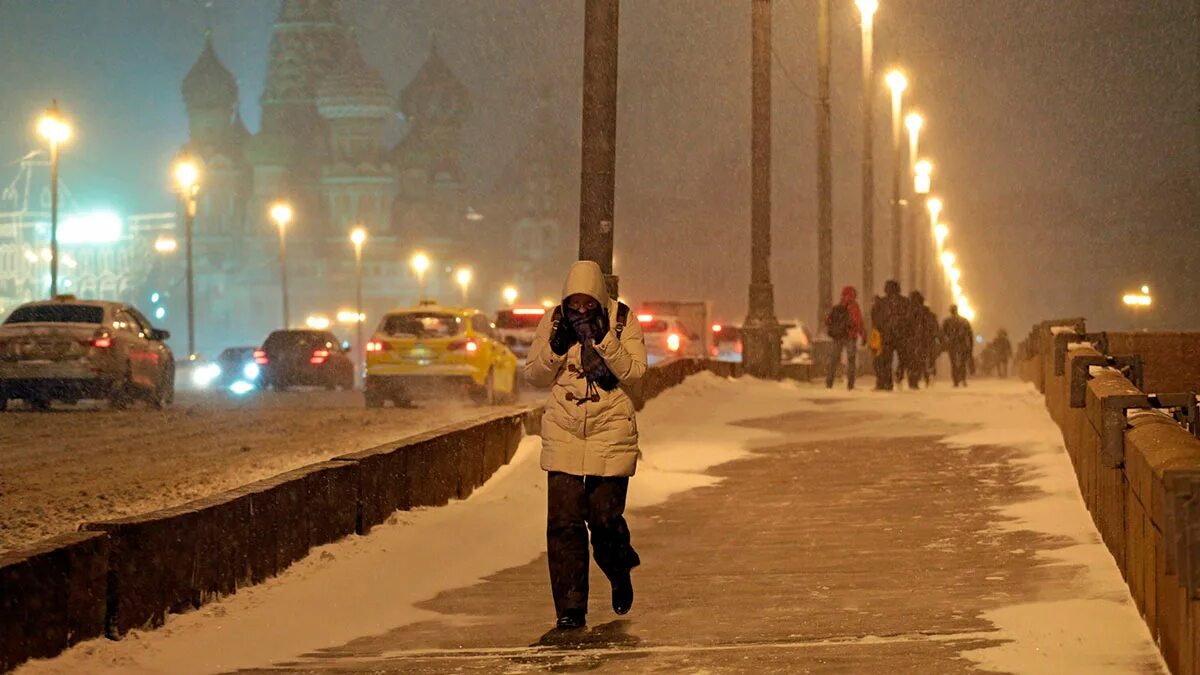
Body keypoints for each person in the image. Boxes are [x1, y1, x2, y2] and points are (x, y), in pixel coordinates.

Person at [525, 260, 648, 631]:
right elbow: (533, 375)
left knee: (604, 519)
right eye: (574, 304)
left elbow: (637, 375)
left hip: (610, 430)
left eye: (588, 304)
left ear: (599, 298)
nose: (580, 311)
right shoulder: (554, 322)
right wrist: (557, 349)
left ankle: (619, 566)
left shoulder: (623, 320)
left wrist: (604, 340)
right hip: (564, 430)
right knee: (563, 524)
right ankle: (570, 607)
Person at [870, 280, 910, 391]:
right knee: (903, 358)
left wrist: (878, 329)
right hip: (901, 335)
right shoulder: (905, 302)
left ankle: (887, 383)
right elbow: (910, 319)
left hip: (886, 335)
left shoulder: (881, 302)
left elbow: (875, 318)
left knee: (886, 360)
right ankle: (900, 372)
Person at [825, 285, 866, 390]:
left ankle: (829, 382)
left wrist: (834, 328)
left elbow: (827, 321)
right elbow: (859, 323)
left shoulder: (838, 306)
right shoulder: (854, 307)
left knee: (834, 359)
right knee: (851, 361)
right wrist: (863, 335)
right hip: (850, 336)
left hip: (838, 336)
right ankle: (850, 384)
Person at [902, 291, 940, 389]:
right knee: (922, 360)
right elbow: (935, 328)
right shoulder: (929, 314)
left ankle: (913, 381)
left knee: (912, 361)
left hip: (911, 341)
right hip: (925, 341)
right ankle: (926, 377)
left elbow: (903, 327)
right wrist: (935, 339)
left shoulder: (907, 312)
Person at [941, 304, 975, 387]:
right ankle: (963, 379)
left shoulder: (947, 321)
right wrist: (970, 345)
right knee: (962, 363)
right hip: (962, 344)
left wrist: (943, 344)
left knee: (953, 363)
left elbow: (942, 333)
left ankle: (956, 380)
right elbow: (969, 334)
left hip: (952, 345)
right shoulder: (964, 321)